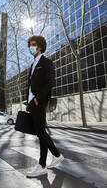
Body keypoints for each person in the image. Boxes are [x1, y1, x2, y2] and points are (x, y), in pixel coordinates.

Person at [26, 34, 64, 178]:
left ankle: (42, 165)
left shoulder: (46, 62)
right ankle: (57, 155)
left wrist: (37, 100)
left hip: (40, 102)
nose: (31, 47)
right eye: (30, 44)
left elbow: (49, 83)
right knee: (40, 132)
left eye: (33, 44)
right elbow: (29, 86)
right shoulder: (32, 65)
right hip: (32, 103)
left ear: (40, 46)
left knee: (41, 132)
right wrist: (28, 102)